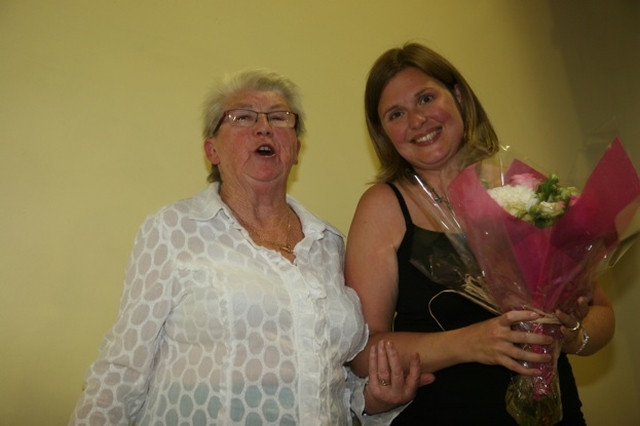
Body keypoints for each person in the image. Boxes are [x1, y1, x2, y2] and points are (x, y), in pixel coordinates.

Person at [68, 69, 428, 426]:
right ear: (212, 149)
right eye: (242, 117)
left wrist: (373, 399)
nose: (263, 127)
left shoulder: (328, 243)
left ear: (297, 149)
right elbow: (122, 369)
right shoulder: (174, 228)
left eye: (278, 117)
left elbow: (331, 382)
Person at [345, 42, 616, 424]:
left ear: (457, 95)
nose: (417, 120)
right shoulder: (383, 206)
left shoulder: (522, 188)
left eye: (426, 98)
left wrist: (572, 337)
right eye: (396, 114)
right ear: (383, 132)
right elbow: (363, 353)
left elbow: (602, 313)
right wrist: (473, 342)